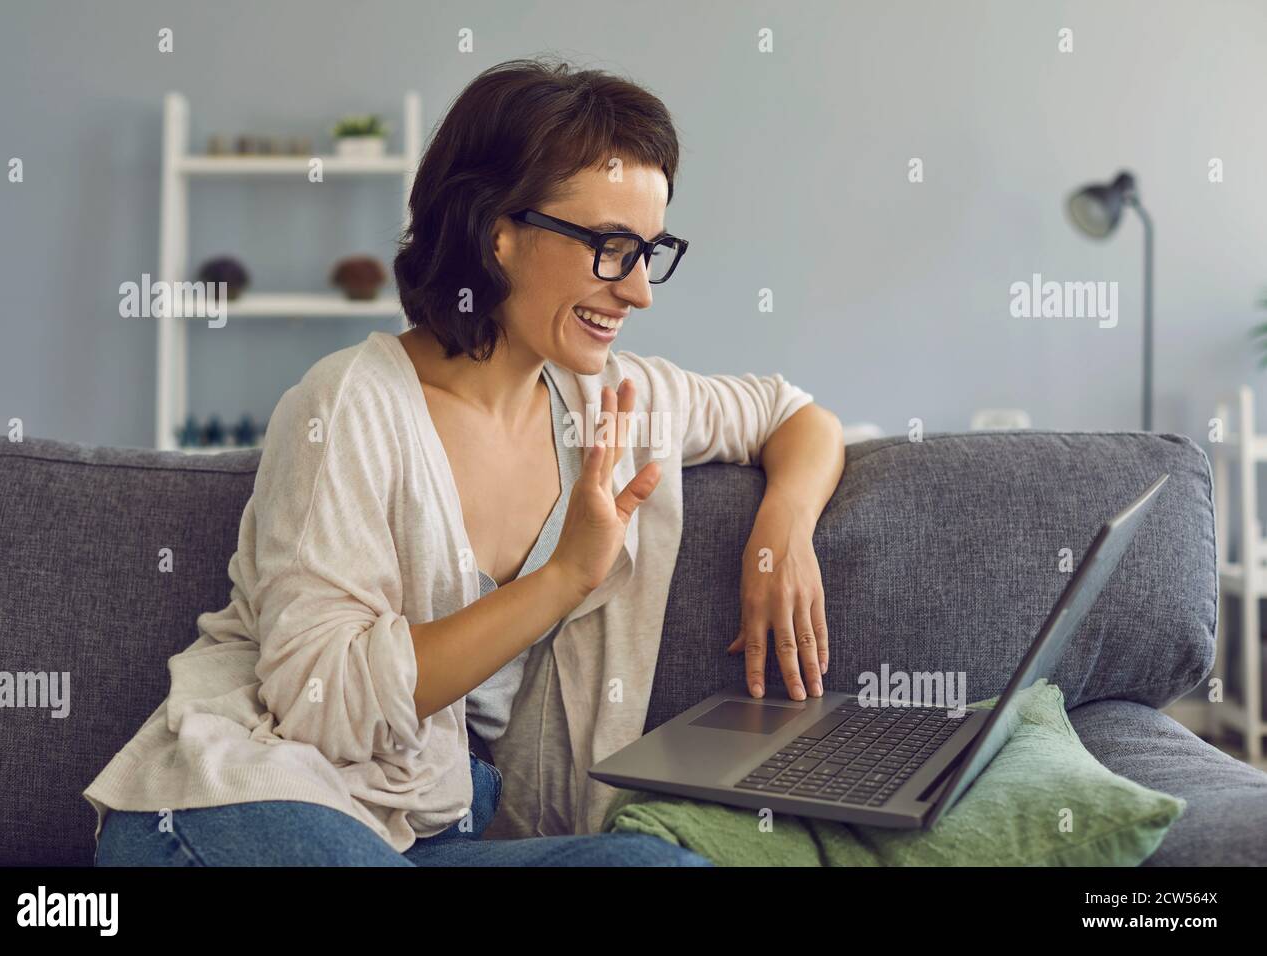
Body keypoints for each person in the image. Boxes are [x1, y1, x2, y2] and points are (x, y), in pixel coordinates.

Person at [87, 56, 845, 866]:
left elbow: (794, 415)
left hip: (430, 833)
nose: (638, 292)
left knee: (655, 864)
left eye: (649, 252)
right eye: (611, 247)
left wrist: (783, 532)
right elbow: (319, 702)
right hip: (247, 796)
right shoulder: (348, 404)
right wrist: (562, 578)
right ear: (497, 234)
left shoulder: (619, 404)